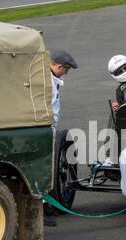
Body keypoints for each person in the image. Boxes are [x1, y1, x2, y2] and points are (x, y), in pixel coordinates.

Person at [45, 49, 78, 227]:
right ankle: (43, 208)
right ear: (58, 66)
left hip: (49, 128)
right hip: (44, 130)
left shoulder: (53, 79)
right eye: (66, 69)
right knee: (45, 168)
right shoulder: (46, 82)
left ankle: (47, 204)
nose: (67, 72)